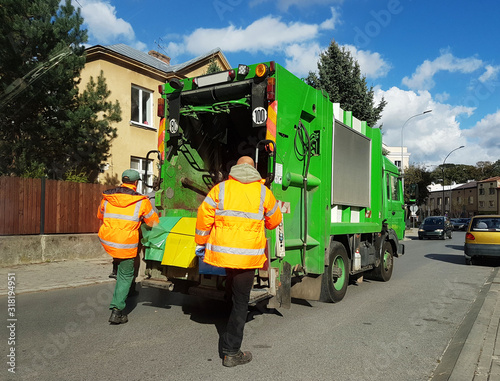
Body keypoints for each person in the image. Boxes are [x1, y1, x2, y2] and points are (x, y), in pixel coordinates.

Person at [195, 156, 282, 367]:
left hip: (224, 254)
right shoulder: (264, 193)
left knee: (232, 290)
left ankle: (228, 331)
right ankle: (232, 352)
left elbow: (204, 215)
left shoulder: (220, 189)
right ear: (253, 169)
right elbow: (274, 221)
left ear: (235, 168)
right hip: (248, 257)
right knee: (241, 301)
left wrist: (201, 243)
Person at [97, 169, 159, 324]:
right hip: (125, 244)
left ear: (122, 181)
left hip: (109, 241)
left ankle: (120, 274)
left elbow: (100, 215)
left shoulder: (107, 198)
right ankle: (117, 312)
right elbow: (153, 223)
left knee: (121, 260)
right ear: (136, 183)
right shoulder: (141, 201)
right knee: (125, 274)